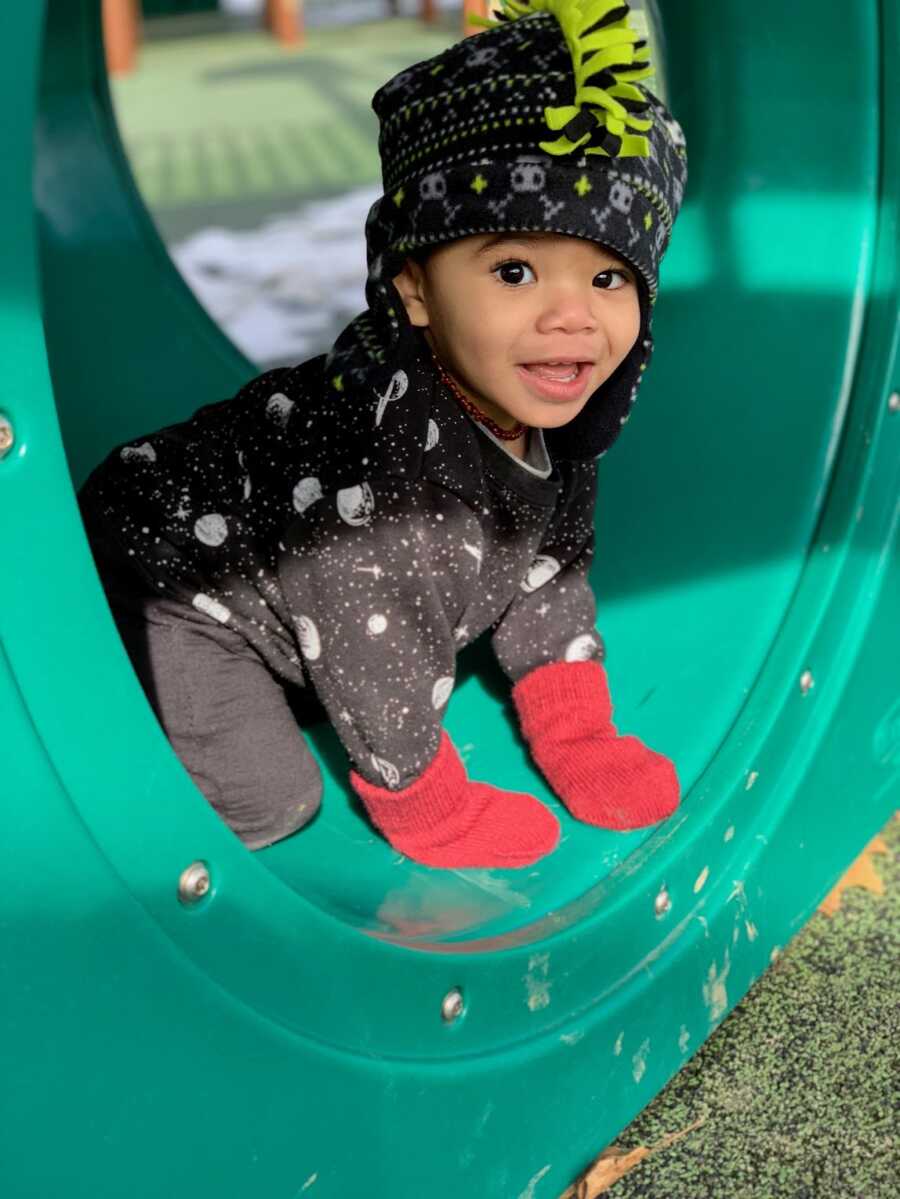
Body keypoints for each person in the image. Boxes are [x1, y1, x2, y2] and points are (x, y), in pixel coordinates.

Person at [78, 0, 689, 868]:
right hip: (173, 574)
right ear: (413, 289)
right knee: (273, 796)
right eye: (514, 271)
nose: (573, 318)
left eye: (607, 276)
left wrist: (579, 735)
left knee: (352, 657)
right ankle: (88, 698)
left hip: (293, 580)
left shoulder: (551, 408)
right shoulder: (387, 479)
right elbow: (379, 656)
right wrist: (431, 809)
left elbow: (548, 575)